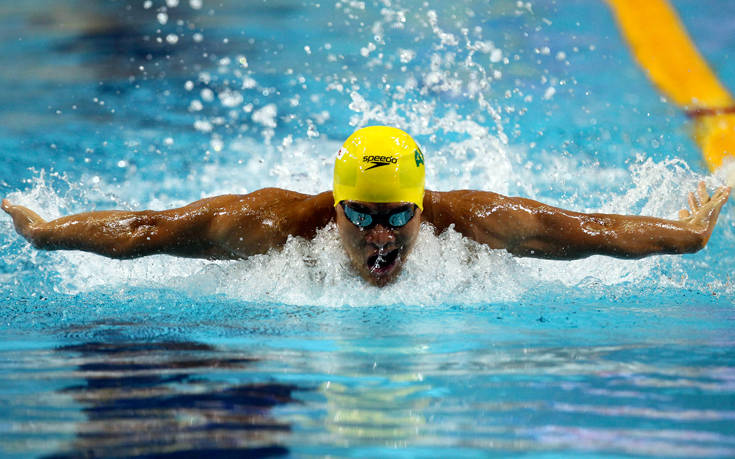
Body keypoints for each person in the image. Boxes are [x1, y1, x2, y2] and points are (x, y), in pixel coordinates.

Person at [2, 126, 731, 287]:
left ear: (421, 206)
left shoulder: (470, 220)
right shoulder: (273, 225)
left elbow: (583, 230)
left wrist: (686, 235)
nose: (377, 236)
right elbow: (151, 229)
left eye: (394, 216)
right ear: (335, 202)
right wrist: (45, 233)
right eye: (358, 215)